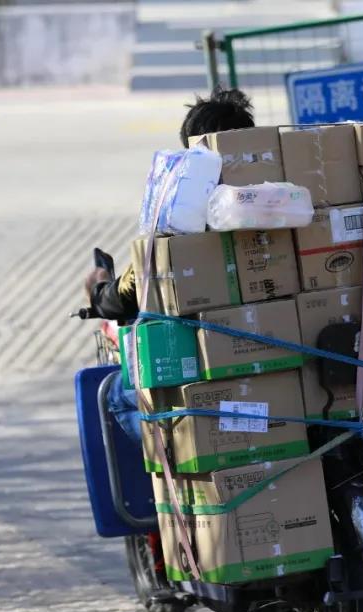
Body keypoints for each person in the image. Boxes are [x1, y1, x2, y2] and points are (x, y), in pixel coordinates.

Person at [85, 87, 256, 445]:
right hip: (275, 358)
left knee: (116, 394)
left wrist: (100, 289)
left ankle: (175, 467)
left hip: (210, 372)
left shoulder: (180, 213)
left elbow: (128, 294)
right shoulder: (282, 198)